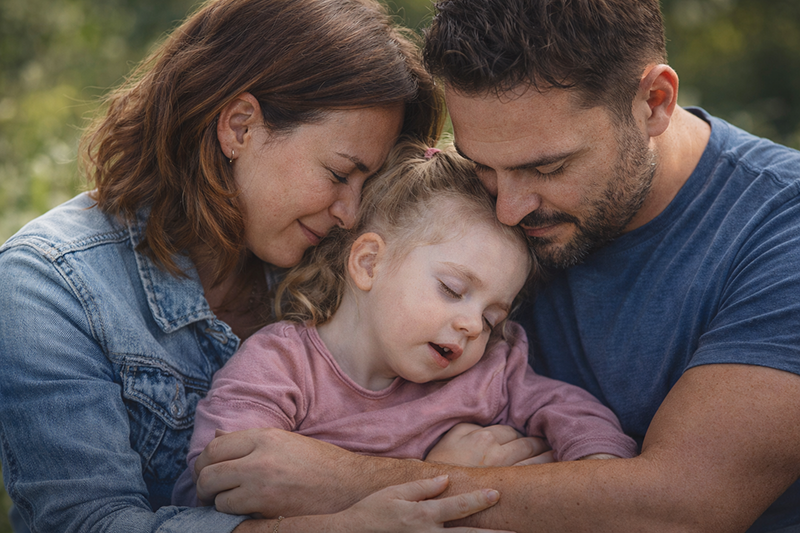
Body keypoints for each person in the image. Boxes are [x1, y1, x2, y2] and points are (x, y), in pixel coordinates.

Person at [189, 0, 800, 532]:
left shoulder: (779, 229)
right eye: (481, 165)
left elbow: (684, 508)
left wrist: (351, 482)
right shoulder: (466, 222)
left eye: (547, 168)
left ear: (654, 102)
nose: (508, 210)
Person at [0, 0, 520, 531]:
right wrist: (355, 515)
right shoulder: (49, 285)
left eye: (369, 182)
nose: (350, 213)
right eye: (341, 173)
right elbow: (88, 522)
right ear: (240, 127)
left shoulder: (358, 271)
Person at [172, 140, 638, 517]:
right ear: (369, 262)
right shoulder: (280, 367)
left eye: (493, 316)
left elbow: (569, 409)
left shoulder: (488, 370)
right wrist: (431, 476)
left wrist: (599, 466)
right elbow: (214, 488)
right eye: (453, 290)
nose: (472, 325)